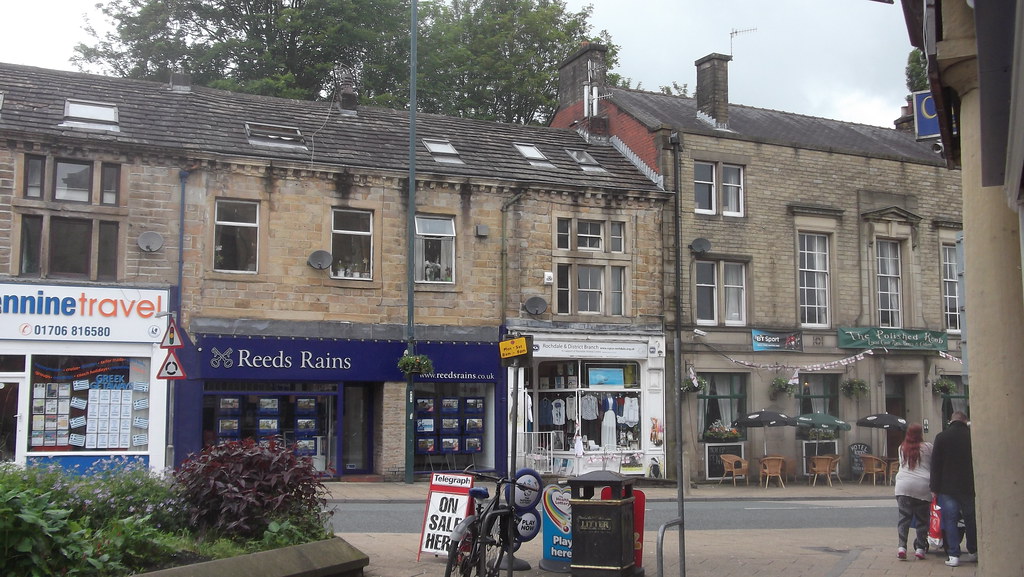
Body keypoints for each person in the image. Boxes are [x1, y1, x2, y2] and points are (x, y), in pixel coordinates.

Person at [929, 410, 977, 567]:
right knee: (970, 519)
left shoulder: (941, 437)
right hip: (968, 485)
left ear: (951, 421)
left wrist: (934, 487)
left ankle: (953, 555)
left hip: (947, 486)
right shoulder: (972, 437)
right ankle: (973, 551)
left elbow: (935, 465)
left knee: (950, 520)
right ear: (965, 421)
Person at [893, 423, 932, 560]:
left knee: (904, 518)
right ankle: (920, 549)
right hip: (922, 486)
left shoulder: (901, 448)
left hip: (903, 486)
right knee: (922, 520)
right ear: (920, 434)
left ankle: (902, 547)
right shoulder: (928, 447)